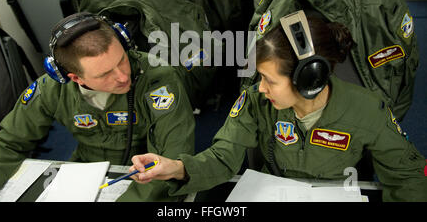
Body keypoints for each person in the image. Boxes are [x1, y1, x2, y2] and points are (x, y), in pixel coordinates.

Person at [128, 11, 427, 202]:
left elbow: (408, 175)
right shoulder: (258, 102)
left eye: (269, 80)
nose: (260, 87)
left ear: (309, 77)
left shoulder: (367, 109)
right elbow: (223, 157)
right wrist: (178, 168)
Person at [0, 12, 195, 202]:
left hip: (146, 176)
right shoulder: (51, 89)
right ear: (75, 78)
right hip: (83, 178)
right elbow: (8, 141)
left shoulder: (158, 79)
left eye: (121, 59)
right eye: (105, 73)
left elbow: (170, 159)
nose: (122, 76)